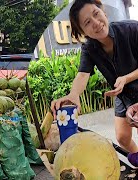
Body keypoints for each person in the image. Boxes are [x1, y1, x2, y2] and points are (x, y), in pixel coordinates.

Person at [51, 0, 138, 154]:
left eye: (96, 14)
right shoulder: (89, 48)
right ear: (83, 31)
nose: (96, 23)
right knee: (122, 137)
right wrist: (74, 94)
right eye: (87, 22)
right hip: (122, 94)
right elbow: (82, 74)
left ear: (103, 12)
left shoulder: (132, 29)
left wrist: (126, 78)